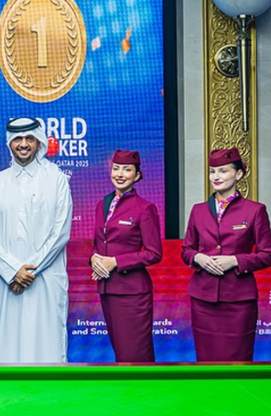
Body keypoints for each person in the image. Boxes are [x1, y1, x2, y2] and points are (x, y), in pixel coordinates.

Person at [0, 118, 72, 363]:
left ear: (38, 142)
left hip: (45, 279)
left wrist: (28, 271)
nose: (23, 144)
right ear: (9, 143)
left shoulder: (56, 179)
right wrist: (12, 271)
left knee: (47, 346)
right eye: (17, 139)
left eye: (29, 139)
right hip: (6, 282)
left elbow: (61, 232)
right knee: (7, 346)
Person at [181, 148, 271, 362]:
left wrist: (235, 261)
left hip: (239, 299)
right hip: (203, 299)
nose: (216, 177)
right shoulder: (198, 210)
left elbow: (267, 254)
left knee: (238, 359)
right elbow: (186, 250)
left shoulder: (255, 210)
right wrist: (197, 258)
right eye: (212, 171)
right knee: (206, 359)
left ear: (238, 174)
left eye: (223, 171)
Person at [90, 149, 162, 362]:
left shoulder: (145, 208)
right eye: (116, 168)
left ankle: (145, 385)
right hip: (107, 289)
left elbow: (154, 253)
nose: (120, 174)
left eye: (127, 170)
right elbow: (98, 243)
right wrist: (93, 258)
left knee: (135, 355)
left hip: (132, 293)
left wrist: (115, 262)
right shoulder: (102, 204)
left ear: (137, 175)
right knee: (121, 354)